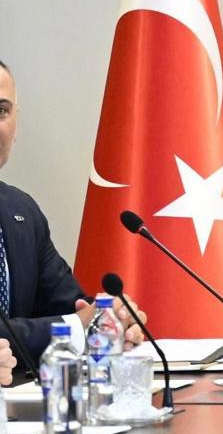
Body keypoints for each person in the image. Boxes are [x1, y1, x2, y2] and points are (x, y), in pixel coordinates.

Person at [0, 59, 142, 376]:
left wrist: (112, 320)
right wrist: (78, 327)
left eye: (1, 111)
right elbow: (72, 324)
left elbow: (69, 307)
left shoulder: (22, 212)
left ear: (16, 123)